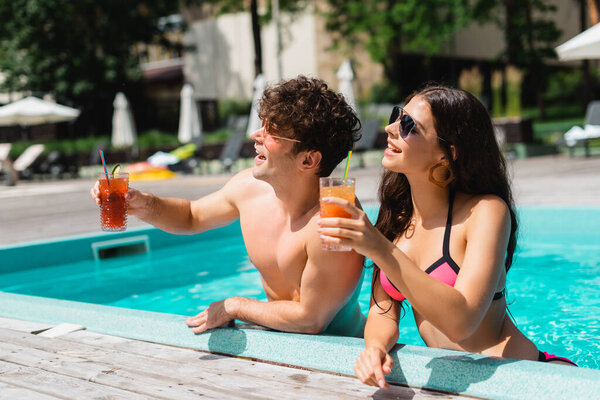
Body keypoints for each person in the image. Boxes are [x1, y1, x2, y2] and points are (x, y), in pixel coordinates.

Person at [317, 85, 577, 389]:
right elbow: (383, 309)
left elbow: (463, 322)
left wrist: (378, 247)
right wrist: (375, 347)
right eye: (396, 116)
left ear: (447, 153)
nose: (390, 128)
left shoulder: (485, 212)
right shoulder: (398, 219)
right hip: (451, 386)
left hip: (521, 379)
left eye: (408, 125)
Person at [91, 76, 366, 337]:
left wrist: (235, 306)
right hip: (283, 343)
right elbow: (191, 216)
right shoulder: (249, 188)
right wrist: (143, 204)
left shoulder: (336, 216)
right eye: (262, 125)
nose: (255, 135)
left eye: (272, 132)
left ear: (307, 161)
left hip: (344, 356)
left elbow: (311, 319)